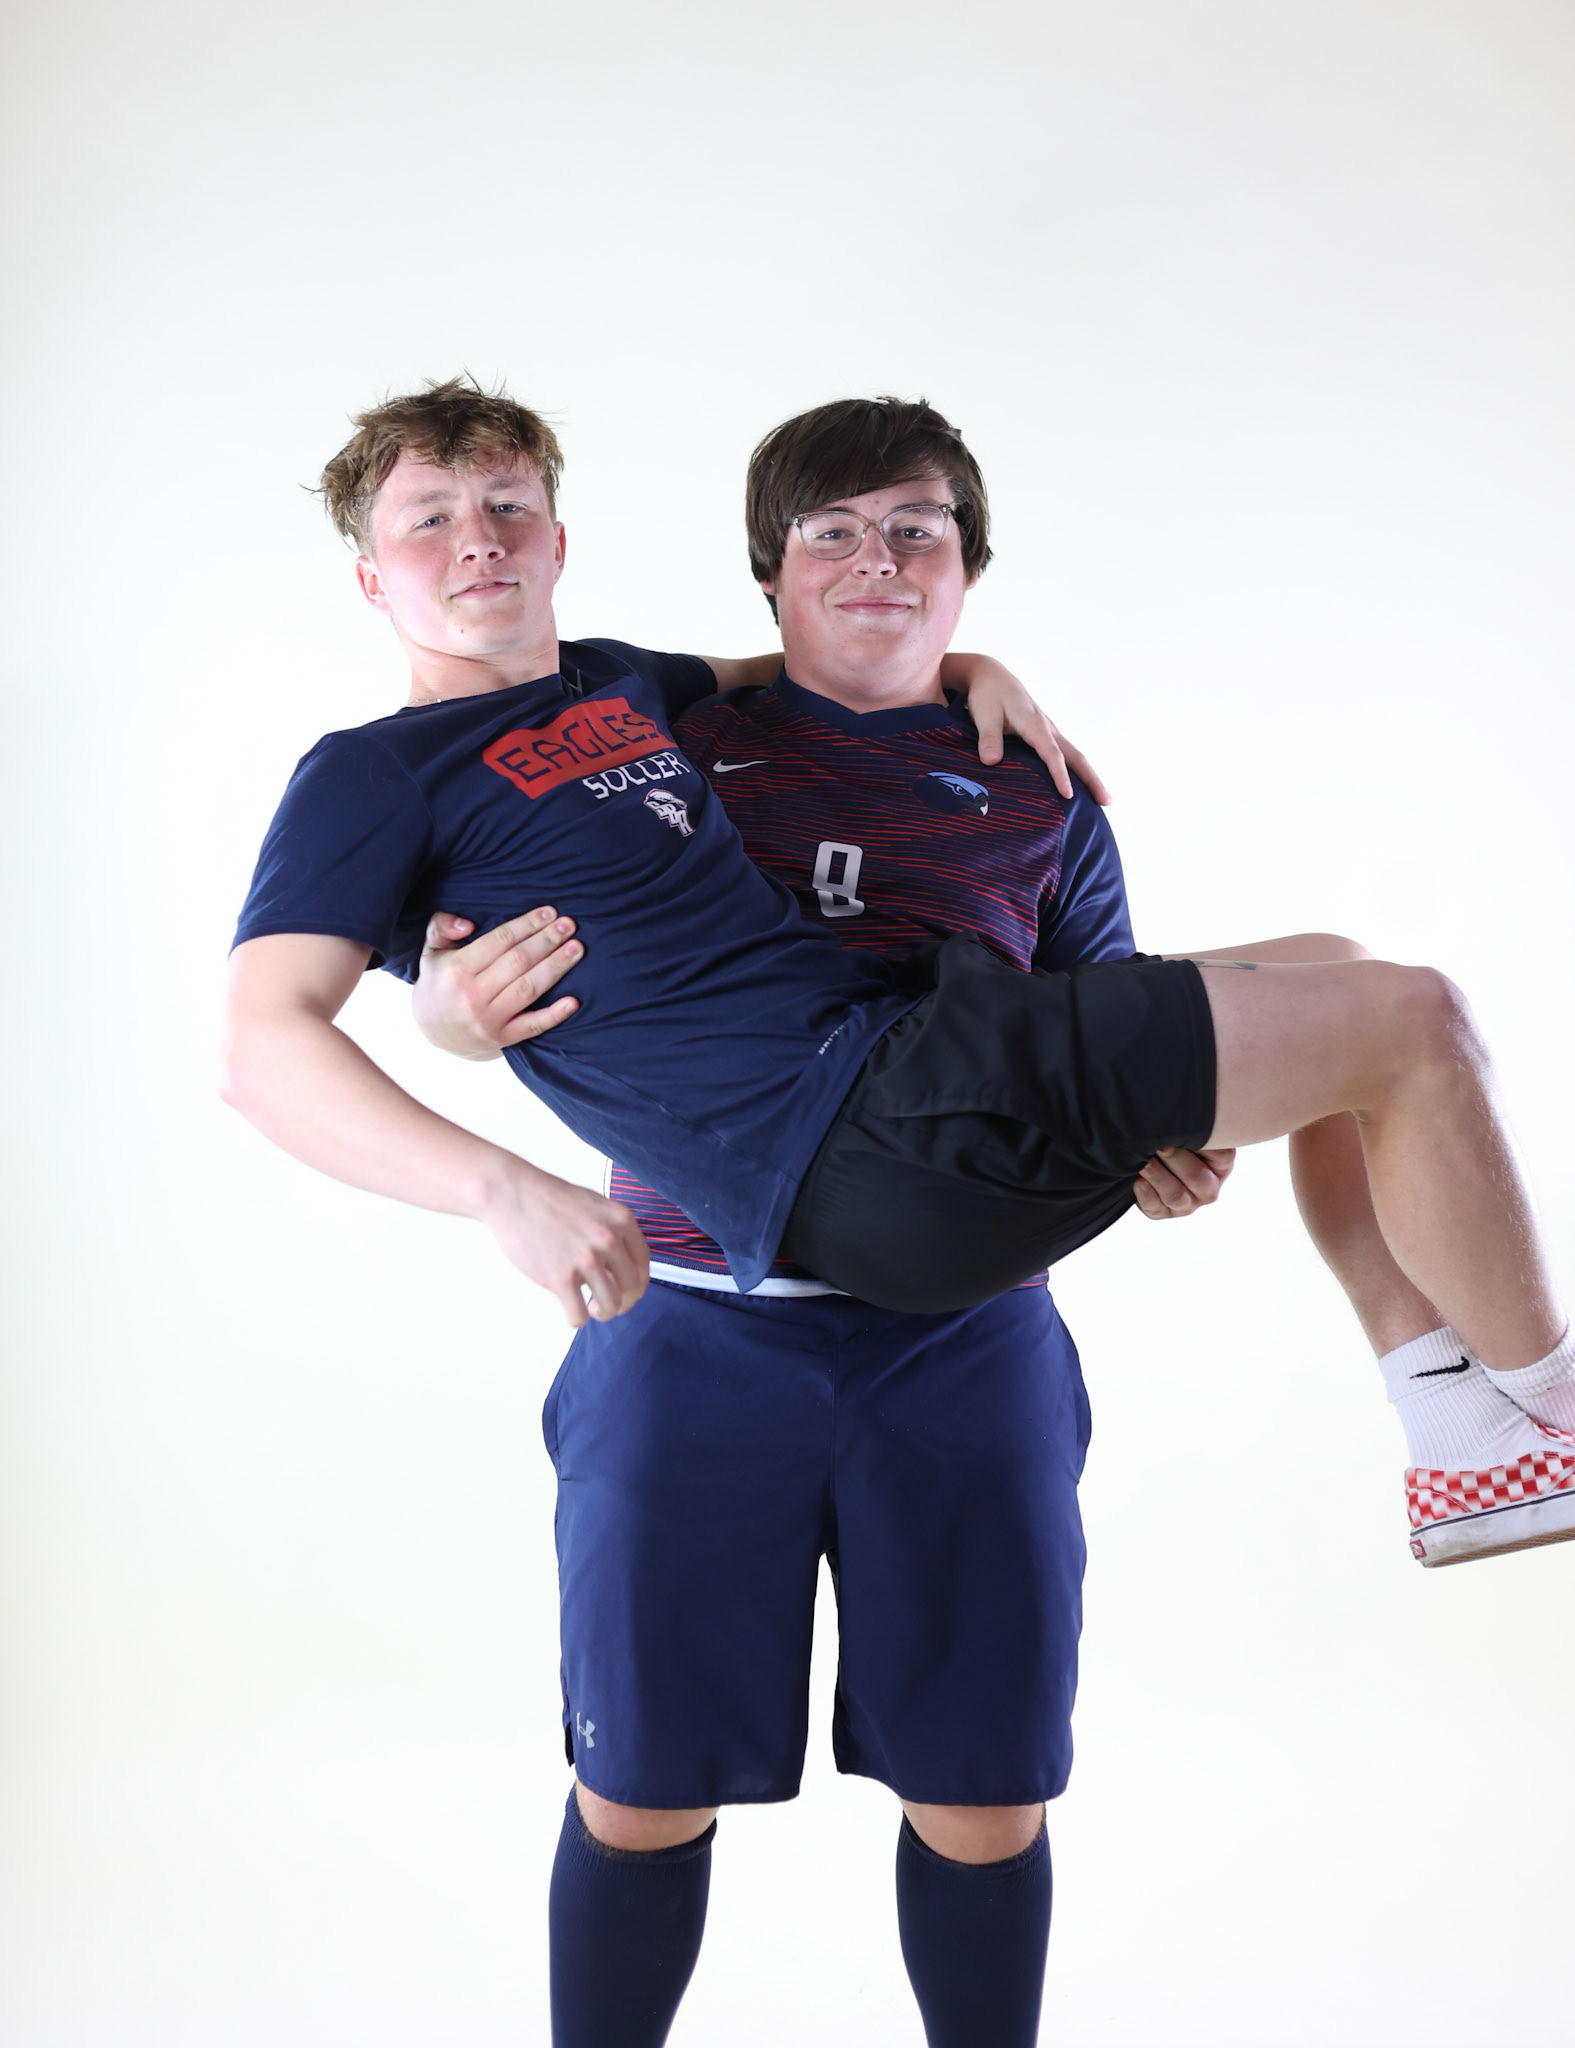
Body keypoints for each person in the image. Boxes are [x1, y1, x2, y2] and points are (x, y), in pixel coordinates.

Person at [223, 378, 1575, 1566]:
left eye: (506, 506)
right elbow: (261, 1048)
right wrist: (494, 1165)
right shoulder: (372, 772)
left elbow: (823, 650)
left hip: (914, 1073)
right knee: (1416, 1021)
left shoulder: (622, 685)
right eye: (430, 520)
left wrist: (976, 659)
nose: (478, 541)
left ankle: (1452, 1414)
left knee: (1341, 979)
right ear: (369, 577)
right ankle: (1556, 1406)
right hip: (853, 1136)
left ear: (559, 540)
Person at [409, 395, 1242, 2048]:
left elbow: (1093, 1042)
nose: (880, 561)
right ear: (767, 578)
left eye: (917, 530)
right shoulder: (657, 752)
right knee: (640, 1786)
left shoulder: (1044, 795)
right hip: (685, 1319)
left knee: (985, 1790)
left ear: (972, 565)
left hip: (963, 1337)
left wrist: (1161, 1156)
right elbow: (469, 897)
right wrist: (439, 1015)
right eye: (833, 534)